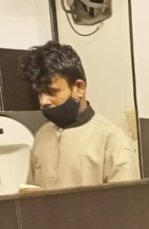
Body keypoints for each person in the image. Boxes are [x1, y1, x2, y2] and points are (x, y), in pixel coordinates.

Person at [19, 40, 140, 190]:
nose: (43, 101)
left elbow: (125, 201)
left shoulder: (113, 141)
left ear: (79, 88)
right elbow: (31, 193)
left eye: (52, 92)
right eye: (39, 93)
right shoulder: (42, 135)